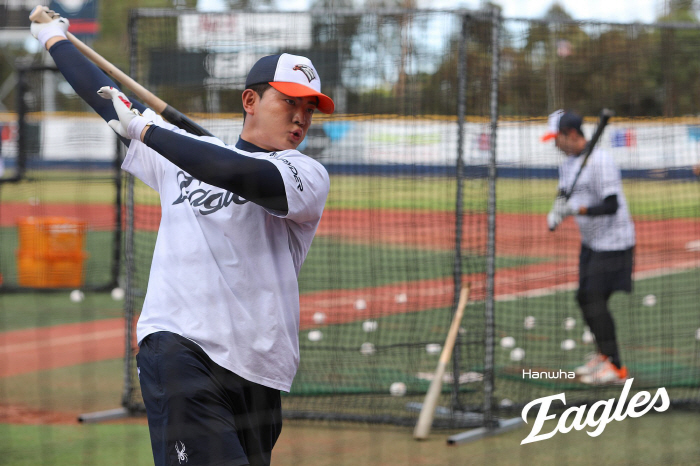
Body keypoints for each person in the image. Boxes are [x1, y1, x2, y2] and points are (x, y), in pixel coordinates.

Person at [32, 12, 334, 466]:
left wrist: (146, 128)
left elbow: (236, 172)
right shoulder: (178, 156)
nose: (301, 117)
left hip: (259, 369)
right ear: (250, 99)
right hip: (178, 349)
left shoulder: (305, 174)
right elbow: (105, 99)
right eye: (290, 101)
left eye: (309, 108)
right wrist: (52, 35)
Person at [543, 109, 635, 386]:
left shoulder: (600, 160)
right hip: (591, 243)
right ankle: (603, 356)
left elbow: (611, 205)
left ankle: (616, 367)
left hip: (614, 242)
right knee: (585, 299)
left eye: (556, 138)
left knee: (594, 299)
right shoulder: (569, 163)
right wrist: (557, 209)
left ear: (571, 135)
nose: (553, 144)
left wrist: (576, 209)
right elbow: (564, 191)